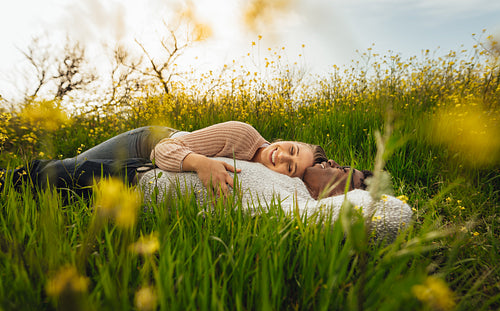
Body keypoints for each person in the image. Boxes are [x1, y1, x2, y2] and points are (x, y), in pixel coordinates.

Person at [3, 121, 326, 196]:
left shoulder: (261, 174)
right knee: (73, 168)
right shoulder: (242, 135)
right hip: (149, 143)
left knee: (79, 185)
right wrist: (201, 163)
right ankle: (9, 181)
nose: (282, 155)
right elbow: (164, 152)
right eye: (292, 149)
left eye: (290, 167)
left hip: (161, 156)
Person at [138, 157, 411, 242]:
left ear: (341, 196)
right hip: (158, 150)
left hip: (131, 181)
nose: (331, 162)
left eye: (340, 171)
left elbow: (391, 213)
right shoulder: (286, 170)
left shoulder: (297, 205)